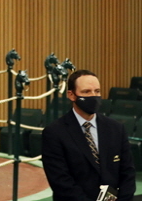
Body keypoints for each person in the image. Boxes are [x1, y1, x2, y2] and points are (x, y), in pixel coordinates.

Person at [42, 70, 136, 201]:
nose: (93, 96)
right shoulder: (54, 132)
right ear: (71, 95)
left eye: (97, 91)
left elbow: (128, 172)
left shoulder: (116, 128)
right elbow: (61, 181)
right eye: (86, 92)